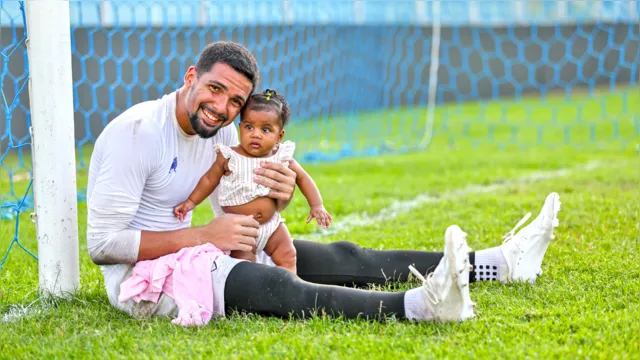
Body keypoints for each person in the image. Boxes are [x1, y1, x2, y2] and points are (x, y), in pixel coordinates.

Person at [86, 41, 561, 324]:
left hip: (203, 247)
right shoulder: (138, 132)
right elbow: (103, 245)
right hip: (149, 282)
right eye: (214, 89)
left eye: (236, 100)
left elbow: (238, 196)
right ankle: (421, 307)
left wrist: (276, 200)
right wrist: (205, 236)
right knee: (279, 284)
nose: (223, 107)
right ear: (191, 77)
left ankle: (498, 264)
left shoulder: (226, 130)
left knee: (343, 255)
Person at [173, 89, 332, 274]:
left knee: (288, 254)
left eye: (265, 129)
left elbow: (303, 178)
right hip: (239, 227)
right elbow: (209, 180)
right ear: (240, 127)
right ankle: (252, 292)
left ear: (279, 136)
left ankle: (290, 286)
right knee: (245, 265)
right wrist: (191, 202)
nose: (256, 134)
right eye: (249, 127)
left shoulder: (281, 156)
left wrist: (316, 204)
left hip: (272, 226)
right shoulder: (228, 156)